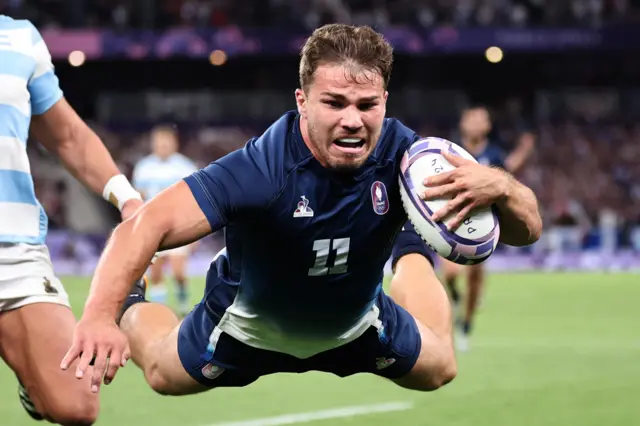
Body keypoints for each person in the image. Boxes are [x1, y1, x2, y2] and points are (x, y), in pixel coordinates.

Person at [62, 24, 542, 397]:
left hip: (354, 326)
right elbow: (144, 225)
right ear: (302, 102)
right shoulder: (262, 169)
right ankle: (132, 307)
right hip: (247, 328)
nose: (352, 119)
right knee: (162, 374)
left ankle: (410, 240)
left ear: (384, 102)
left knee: (441, 368)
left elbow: (528, 230)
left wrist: (501, 186)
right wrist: (102, 314)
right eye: (334, 103)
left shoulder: (411, 157)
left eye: (366, 104)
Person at [0, 16, 143, 425]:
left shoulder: (20, 37)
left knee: (76, 406)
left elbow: (67, 136)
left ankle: (32, 377)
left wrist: (127, 198)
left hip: (16, 251)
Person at [439, 105, 535, 352]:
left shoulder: (494, 156)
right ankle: (456, 297)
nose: (474, 123)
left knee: (474, 278)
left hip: (482, 225)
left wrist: (523, 151)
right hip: (452, 222)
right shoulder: (450, 152)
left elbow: (507, 183)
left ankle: (466, 325)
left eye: (479, 119)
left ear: (487, 127)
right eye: (470, 118)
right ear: (462, 124)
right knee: (449, 274)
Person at [132, 125, 199, 316]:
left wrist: (196, 234)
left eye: (166, 142)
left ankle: (183, 304)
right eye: (158, 142)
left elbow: (193, 201)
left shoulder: (185, 167)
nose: (162, 146)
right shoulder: (144, 167)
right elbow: (139, 199)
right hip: (154, 227)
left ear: (174, 143)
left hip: (179, 226)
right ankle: (160, 311)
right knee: (156, 272)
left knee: (178, 272)